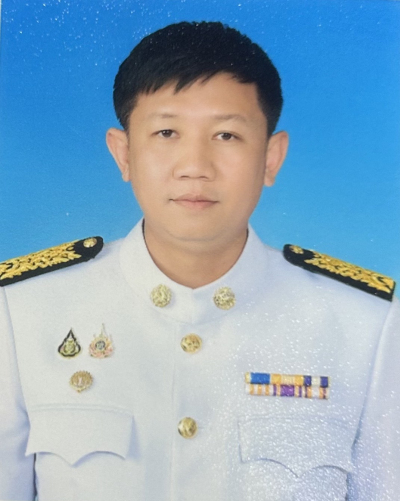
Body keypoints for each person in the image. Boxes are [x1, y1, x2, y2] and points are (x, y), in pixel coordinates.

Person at [0, 21, 398, 501]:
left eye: (226, 135)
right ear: (123, 153)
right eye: (166, 132)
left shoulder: (367, 326)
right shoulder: (22, 312)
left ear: (271, 158)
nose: (195, 166)